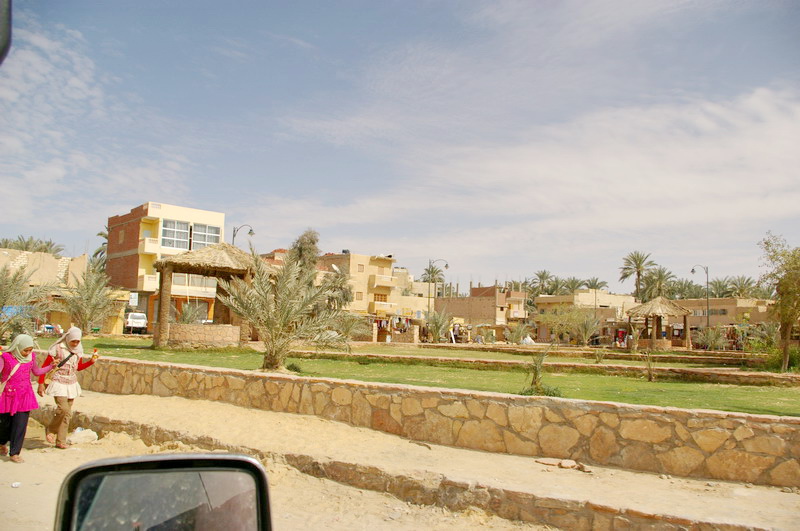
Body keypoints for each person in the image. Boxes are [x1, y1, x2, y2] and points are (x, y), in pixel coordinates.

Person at [37, 327, 98, 449]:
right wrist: (41, 383)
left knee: (67, 414)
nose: (75, 344)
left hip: (71, 383)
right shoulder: (58, 349)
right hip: (58, 381)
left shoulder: (78, 350)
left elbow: (78, 367)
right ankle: (51, 429)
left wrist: (91, 362)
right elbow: (45, 366)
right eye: (73, 341)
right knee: (63, 409)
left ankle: (61, 440)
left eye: (77, 341)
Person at [0, 334, 54, 463]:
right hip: (7, 396)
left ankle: (15, 453)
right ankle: (2, 443)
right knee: (4, 424)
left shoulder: (31, 357)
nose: (28, 353)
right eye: (25, 350)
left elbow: (37, 372)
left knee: (20, 425)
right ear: (17, 347)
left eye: (30, 350)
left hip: (24, 396)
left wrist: (51, 366)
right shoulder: (5, 357)